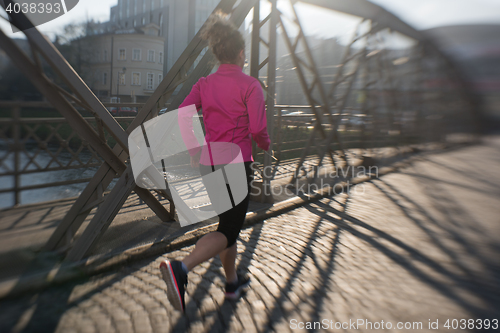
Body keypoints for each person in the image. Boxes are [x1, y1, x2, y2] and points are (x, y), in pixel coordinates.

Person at [159, 11, 270, 313]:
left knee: (226, 226)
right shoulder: (250, 85)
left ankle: (232, 283)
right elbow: (259, 129)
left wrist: (196, 150)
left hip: (210, 163)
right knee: (229, 231)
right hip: (237, 164)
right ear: (241, 53)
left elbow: (183, 113)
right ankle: (181, 269)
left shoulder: (205, 83)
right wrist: (266, 145)